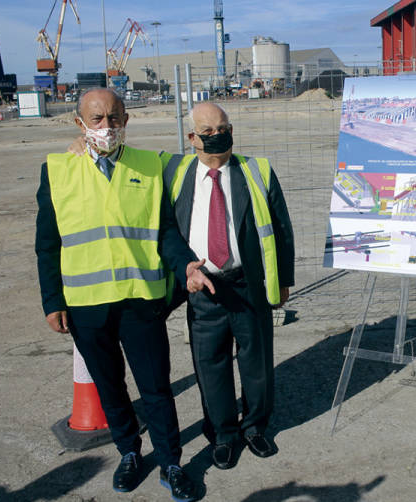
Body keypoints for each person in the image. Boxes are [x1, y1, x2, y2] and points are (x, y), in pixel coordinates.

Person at [36, 88, 213, 501]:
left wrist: (184, 263)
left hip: (139, 301)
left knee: (156, 387)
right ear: (79, 124)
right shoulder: (58, 169)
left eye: (114, 118)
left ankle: (171, 461)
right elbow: (48, 244)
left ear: (127, 120)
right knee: (110, 386)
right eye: (96, 120)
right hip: (86, 305)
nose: (106, 127)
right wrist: (52, 301)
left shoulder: (151, 166)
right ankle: (130, 452)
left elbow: (167, 228)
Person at [160, 103, 295, 470]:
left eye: (224, 128)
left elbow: (281, 229)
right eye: (208, 131)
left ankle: (254, 426)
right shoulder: (174, 172)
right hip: (204, 288)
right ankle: (223, 434)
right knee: (210, 364)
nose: (218, 135)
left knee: (257, 362)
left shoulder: (257, 171)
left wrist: (283, 280)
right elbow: (127, 164)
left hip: (247, 283)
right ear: (192, 138)